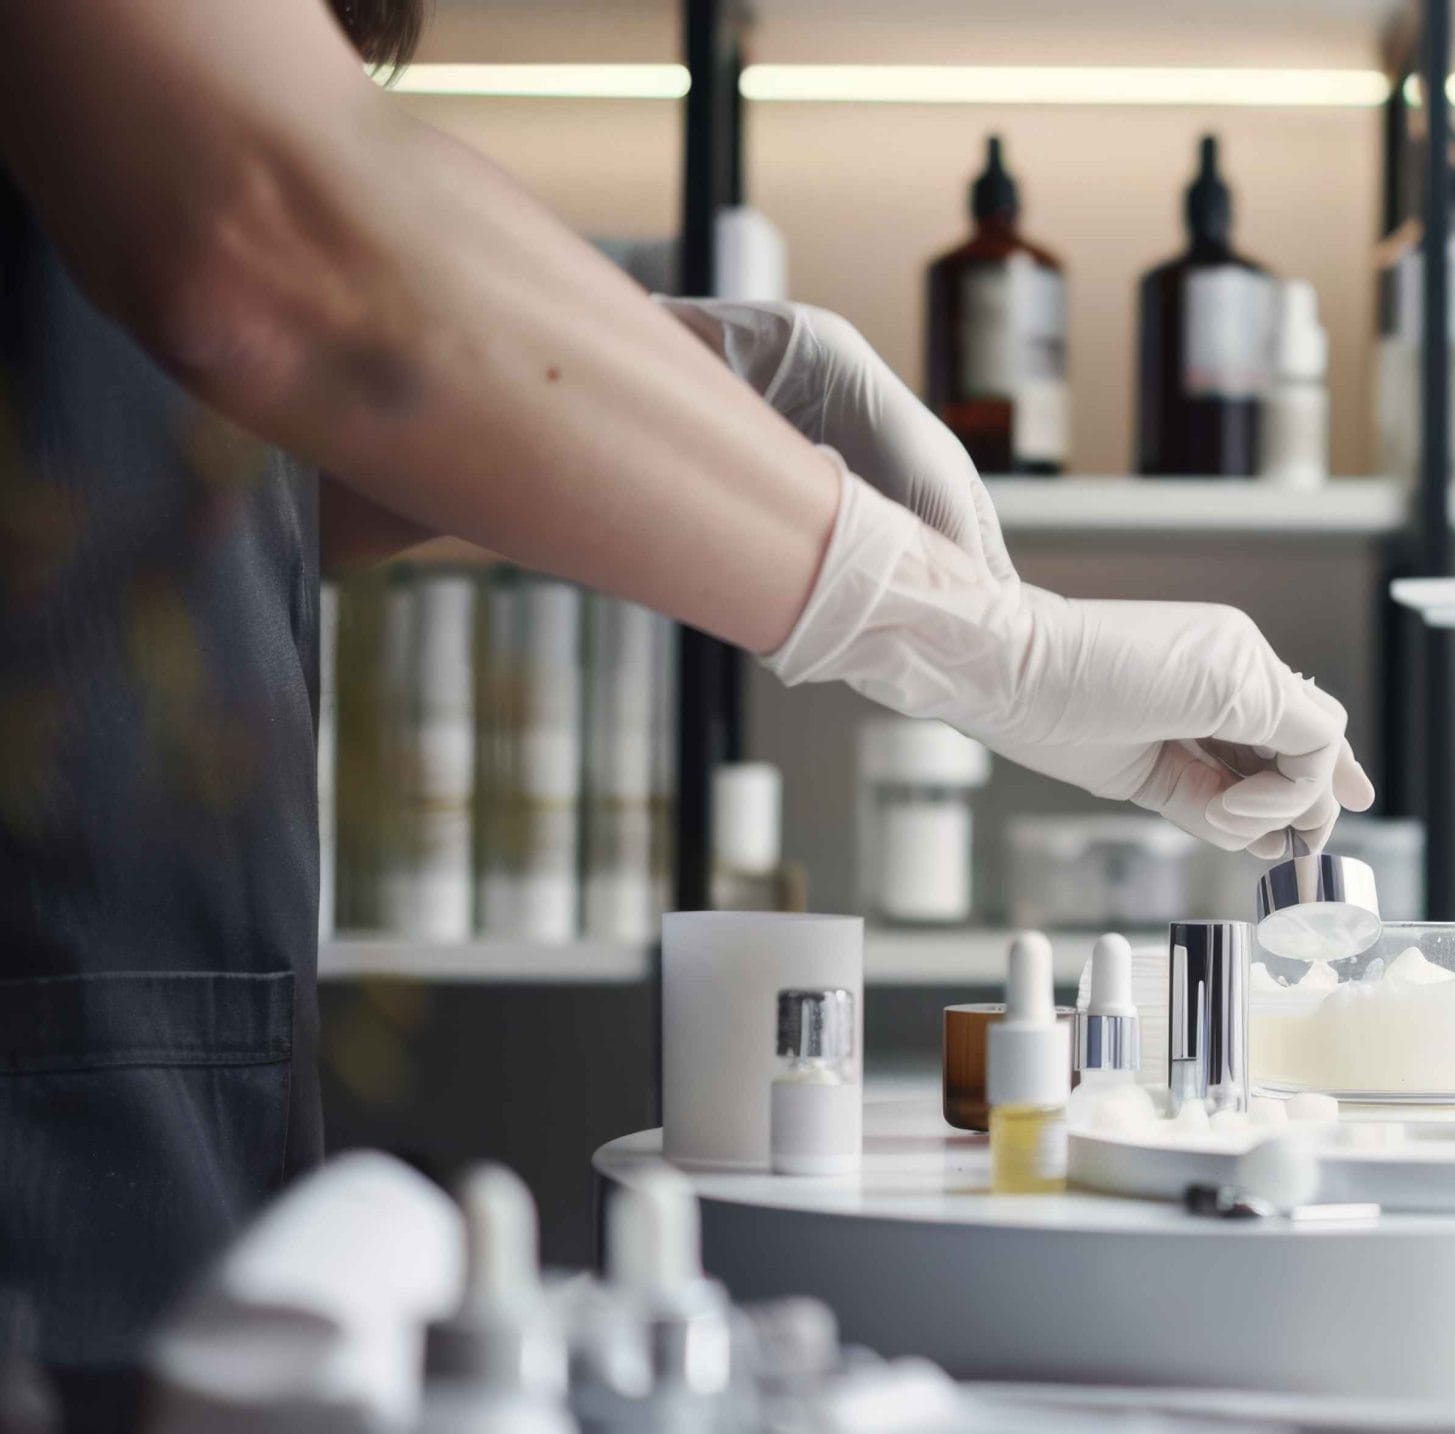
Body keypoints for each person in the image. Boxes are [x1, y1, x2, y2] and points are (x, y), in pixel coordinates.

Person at [0, 0, 1368, 1422]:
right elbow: (273, 239)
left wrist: (717, 373)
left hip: (152, 1072)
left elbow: (219, 450)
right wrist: (977, 642)